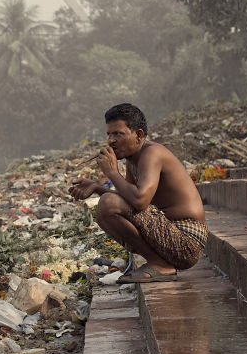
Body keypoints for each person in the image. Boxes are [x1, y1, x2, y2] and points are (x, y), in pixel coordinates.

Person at [68, 103, 207, 283]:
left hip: (187, 242)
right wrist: (96, 187)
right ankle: (157, 262)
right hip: (168, 235)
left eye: (118, 134)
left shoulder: (152, 153)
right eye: (109, 134)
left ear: (139, 135)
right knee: (105, 208)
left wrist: (112, 173)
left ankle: (160, 265)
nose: (111, 141)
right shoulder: (133, 160)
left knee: (107, 204)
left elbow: (140, 201)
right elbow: (128, 199)